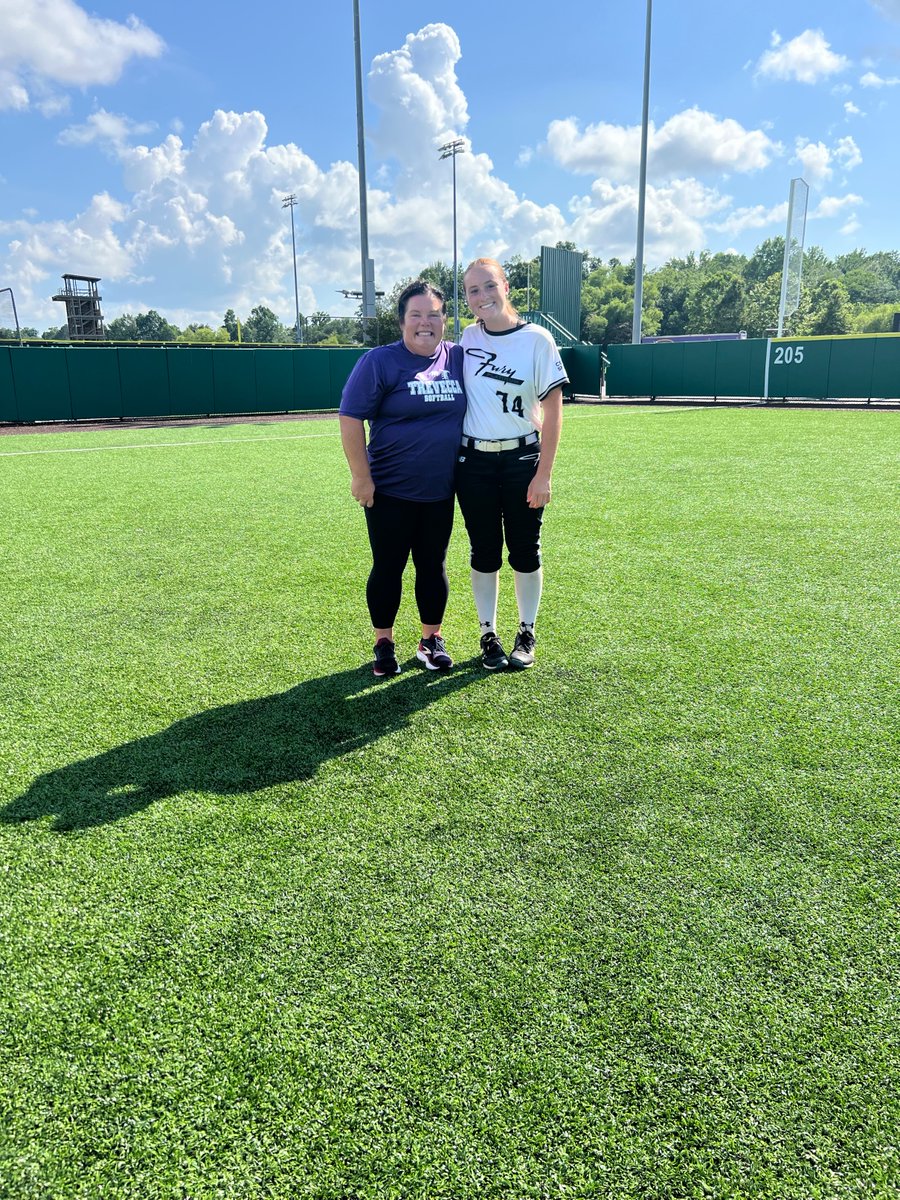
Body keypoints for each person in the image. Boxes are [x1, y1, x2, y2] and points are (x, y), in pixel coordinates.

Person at [339, 281, 466, 677]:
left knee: (433, 566)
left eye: (433, 314)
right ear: (401, 322)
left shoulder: (459, 357)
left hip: (441, 490)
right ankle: (384, 643)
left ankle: (431, 640)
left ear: (445, 320)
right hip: (389, 490)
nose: (424, 323)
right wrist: (361, 476)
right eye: (416, 315)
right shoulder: (379, 361)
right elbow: (349, 417)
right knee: (388, 567)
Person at [456, 257, 567, 671]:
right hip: (473, 462)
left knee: (524, 550)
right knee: (484, 552)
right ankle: (488, 634)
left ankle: (526, 630)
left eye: (488, 286)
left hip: (522, 459)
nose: (482, 296)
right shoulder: (468, 338)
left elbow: (554, 412)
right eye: (472, 290)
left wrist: (544, 474)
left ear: (506, 286)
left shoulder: (537, 339)